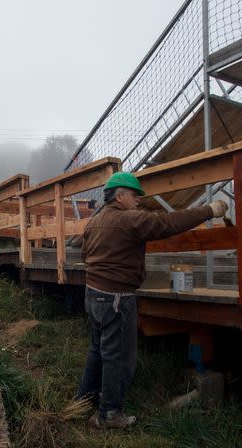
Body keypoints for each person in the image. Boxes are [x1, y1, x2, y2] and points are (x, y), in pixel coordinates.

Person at [76, 171, 228, 428]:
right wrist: (209, 210)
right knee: (118, 357)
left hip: (92, 293)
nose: (138, 202)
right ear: (120, 196)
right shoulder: (129, 220)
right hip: (116, 299)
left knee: (97, 350)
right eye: (135, 196)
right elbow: (168, 223)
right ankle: (109, 414)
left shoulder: (94, 222)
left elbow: (84, 253)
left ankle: (84, 399)